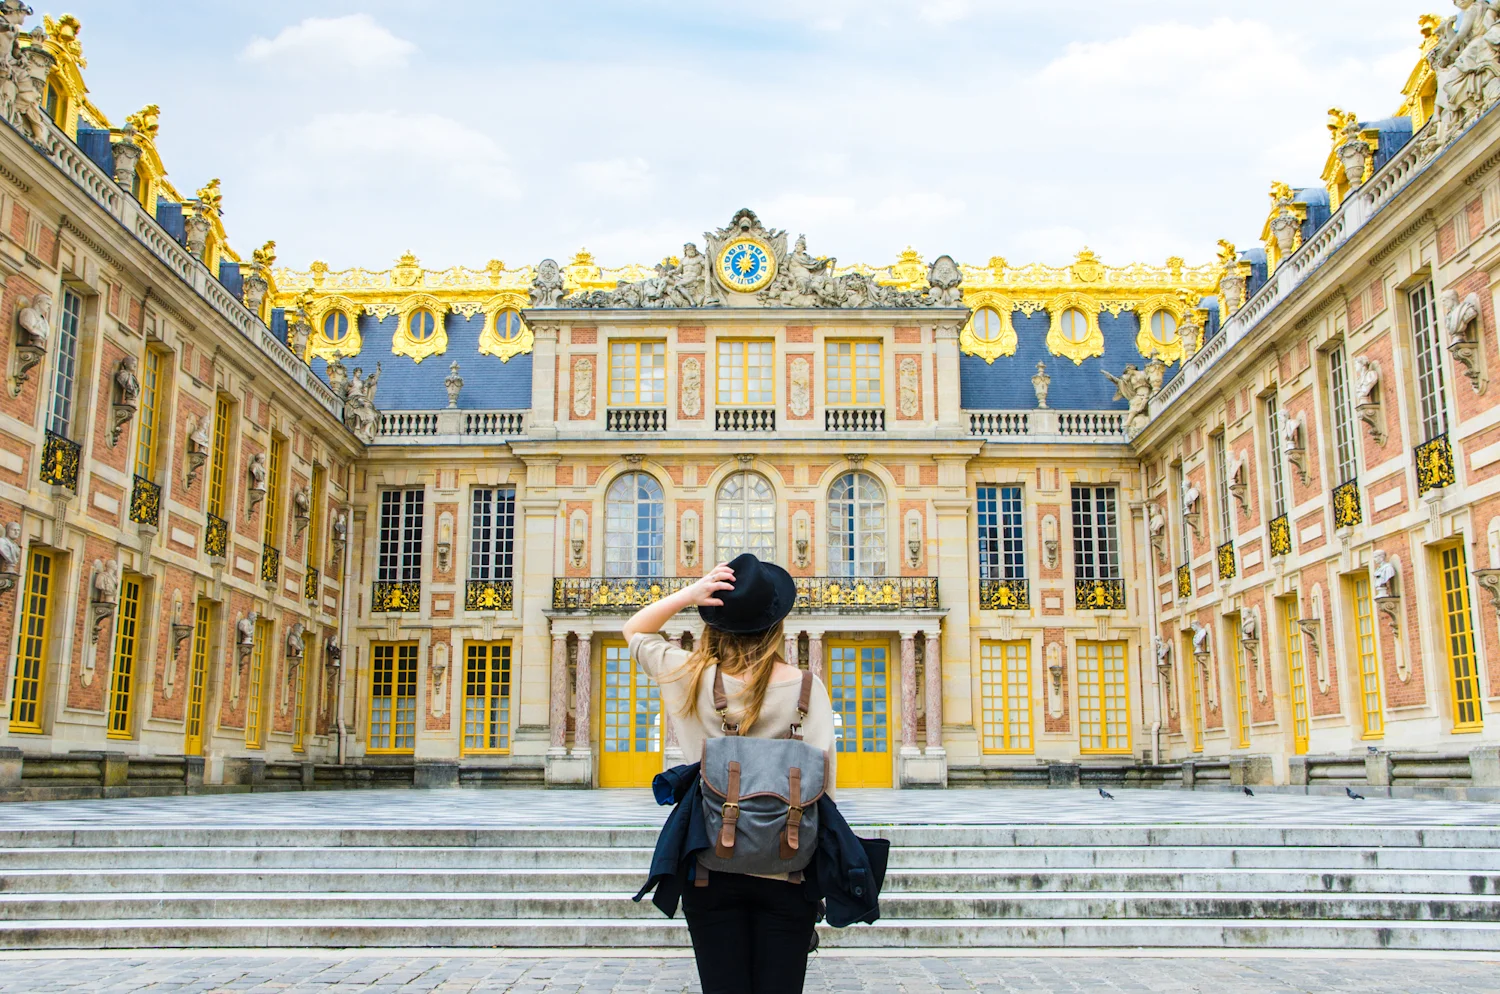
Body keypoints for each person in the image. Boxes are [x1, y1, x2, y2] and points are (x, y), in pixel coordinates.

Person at [623, 553, 836, 994]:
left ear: (713, 624)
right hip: (788, 871)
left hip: (710, 872)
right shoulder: (806, 687)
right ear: (776, 625)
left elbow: (635, 629)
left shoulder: (686, 674)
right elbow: (824, 787)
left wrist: (692, 592)